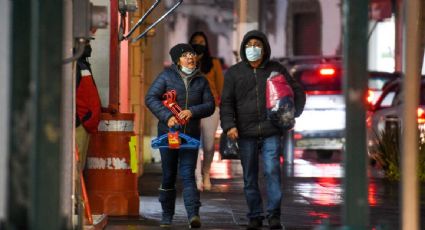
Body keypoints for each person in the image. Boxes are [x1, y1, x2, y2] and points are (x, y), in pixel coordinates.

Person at [220, 30, 306, 230]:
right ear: (243, 48)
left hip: (271, 130)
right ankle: (255, 215)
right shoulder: (234, 73)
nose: (253, 49)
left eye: (257, 45)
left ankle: (274, 215)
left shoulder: (276, 69)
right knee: (250, 175)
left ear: (264, 47)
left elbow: (297, 91)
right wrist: (229, 126)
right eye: (249, 45)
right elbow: (226, 103)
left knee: (272, 171)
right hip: (245, 132)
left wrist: (293, 113)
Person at [145, 43, 215, 228]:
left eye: (192, 55)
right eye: (185, 55)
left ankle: (193, 215)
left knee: (188, 174)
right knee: (168, 174)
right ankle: (167, 216)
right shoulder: (166, 76)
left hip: (190, 135)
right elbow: (150, 97)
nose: (190, 58)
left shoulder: (202, 80)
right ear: (177, 60)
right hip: (168, 135)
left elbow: (210, 105)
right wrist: (167, 117)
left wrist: (192, 111)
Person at [189, 31, 224, 191]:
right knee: (194, 143)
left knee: (209, 145)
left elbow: (220, 86)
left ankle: (206, 173)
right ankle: (197, 178)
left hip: (211, 108)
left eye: (201, 41)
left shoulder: (214, 62)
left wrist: (221, 106)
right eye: (195, 41)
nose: (198, 43)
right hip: (192, 108)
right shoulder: (185, 62)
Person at [75, 38, 102, 170]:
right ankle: (76, 191)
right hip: (79, 125)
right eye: (86, 43)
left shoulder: (82, 65)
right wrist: (80, 120)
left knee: (79, 166)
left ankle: (78, 191)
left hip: (84, 124)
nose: (89, 46)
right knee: (76, 166)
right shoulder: (75, 66)